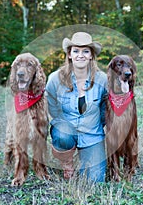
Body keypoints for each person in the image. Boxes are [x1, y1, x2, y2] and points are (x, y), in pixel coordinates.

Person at [45, 32, 107, 182]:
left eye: (85, 51)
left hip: (92, 135)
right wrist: (61, 123)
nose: (81, 55)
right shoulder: (55, 78)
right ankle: (67, 162)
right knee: (63, 133)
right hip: (66, 131)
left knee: (96, 182)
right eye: (76, 51)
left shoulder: (103, 79)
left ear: (91, 55)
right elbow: (50, 105)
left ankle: (87, 155)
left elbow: (106, 109)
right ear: (69, 55)